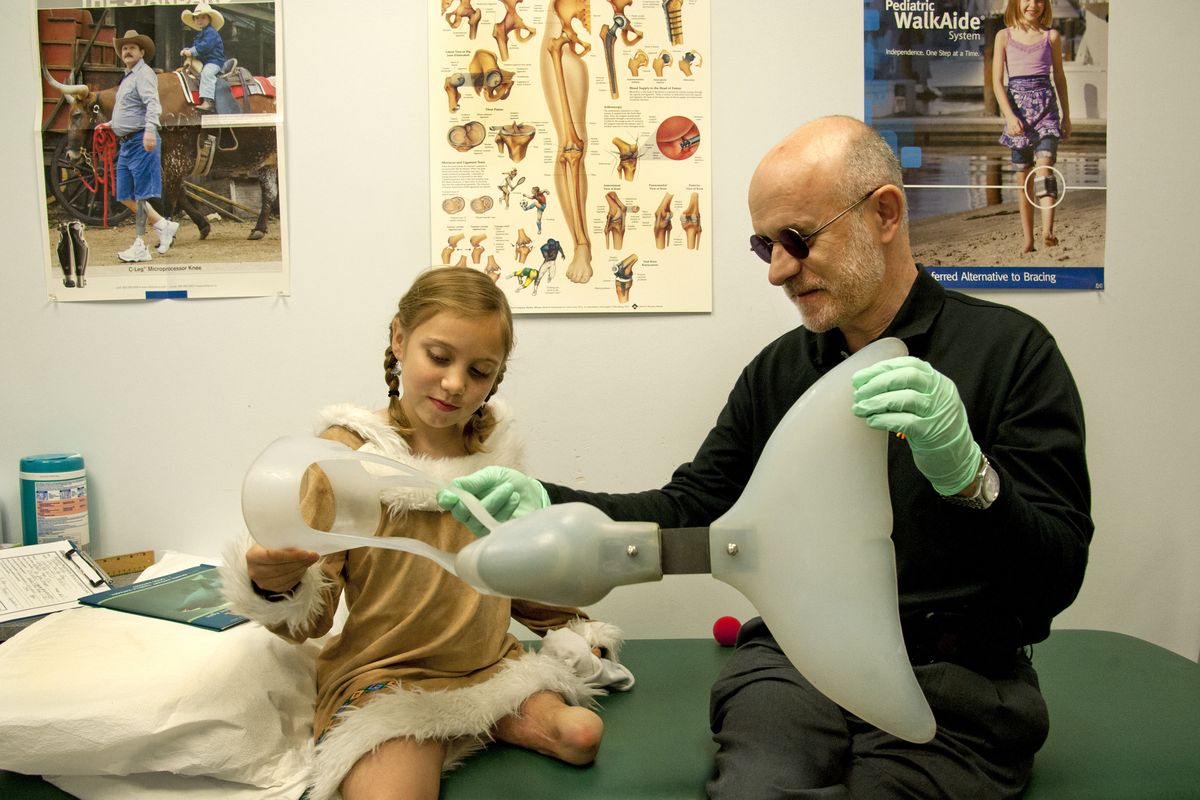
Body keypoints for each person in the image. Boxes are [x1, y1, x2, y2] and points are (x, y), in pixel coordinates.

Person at [440, 115, 1092, 798]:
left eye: (798, 241)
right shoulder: (780, 372)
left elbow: (1058, 575)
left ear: (886, 215)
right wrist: (552, 503)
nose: (779, 270)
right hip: (795, 666)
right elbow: (693, 508)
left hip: (957, 682)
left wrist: (972, 479)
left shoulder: (1013, 354)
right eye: (764, 246)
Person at [223, 267, 632, 800]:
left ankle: (470, 723)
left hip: (489, 667)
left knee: (582, 735)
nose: (456, 383)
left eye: (480, 371)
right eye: (439, 357)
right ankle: (426, 737)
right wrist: (273, 583)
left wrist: (575, 629)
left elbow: (517, 565)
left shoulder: (494, 452)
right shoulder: (347, 457)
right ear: (399, 338)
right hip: (388, 676)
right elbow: (310, 615)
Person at [993, 0, 1071, 254]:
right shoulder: (1003, 37)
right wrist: (1009, 116)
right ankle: (1028, 239)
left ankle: (1048, 230)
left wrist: (1066, 117)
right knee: (1023, 178)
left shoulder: (1052, 37)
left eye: (1039, 0)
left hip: (1047, 113)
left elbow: (1059, 77)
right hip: (1018, 115)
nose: (1033, 5)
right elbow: (996, 82)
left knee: (1045, 168)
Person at [110, 30, 179, 263]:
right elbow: (130, 108)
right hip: (127, 142)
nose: (127, 51)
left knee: (140, 197)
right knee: (124, 195)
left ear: (142, 53)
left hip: (141, 139)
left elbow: (152, 104)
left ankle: (140, 245)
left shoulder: (144, 73)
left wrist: (150, 131)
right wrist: (110, 124)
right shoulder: (127, 77)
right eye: (124, 48)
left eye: (132, 48)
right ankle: (163, 224)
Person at [180, 2, 227, 113]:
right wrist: (188, 50)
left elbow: (205, 46)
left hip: (214, 61)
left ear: (209, 19)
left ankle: (208, 101)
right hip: (205, 60)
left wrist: (191, 51)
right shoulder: (202, 34)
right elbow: (198, 47)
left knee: (207, 73)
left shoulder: (211, 32)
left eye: (203, 17)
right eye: (196, 18)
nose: (199, 20)